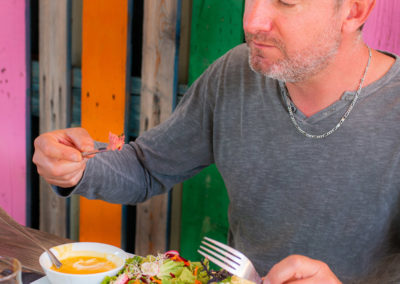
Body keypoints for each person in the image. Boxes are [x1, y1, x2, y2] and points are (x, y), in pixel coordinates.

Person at [33, 0, 400, 282]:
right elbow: (146, 167)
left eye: (285, 1)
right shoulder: (235, 73)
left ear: (354, 10)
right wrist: (74, 169)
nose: (252, 21)